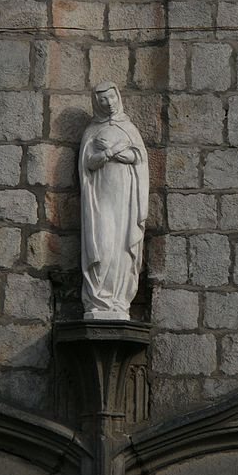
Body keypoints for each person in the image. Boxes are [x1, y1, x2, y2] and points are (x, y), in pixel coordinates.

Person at [79, 81, 149, 320]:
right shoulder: (92, 132)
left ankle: (119, 300)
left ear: (118, 98)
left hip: (125, 201)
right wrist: (107, 153)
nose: (108, 104)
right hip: (100, 199)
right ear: (96, 104)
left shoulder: (129, 129)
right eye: (102, 101)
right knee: (102, 243)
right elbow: (87, 163)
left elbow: (138, 158)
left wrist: (116, 152)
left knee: (121, 247)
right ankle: (98, 298)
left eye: (111, 98)